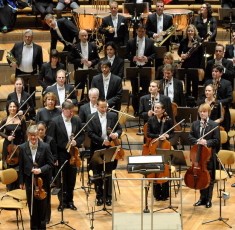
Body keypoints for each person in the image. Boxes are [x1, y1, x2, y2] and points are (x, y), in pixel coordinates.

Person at [50, 101, 84, 211]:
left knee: (71, 179)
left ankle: (70, 201)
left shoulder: (76, 120)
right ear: (63, 110)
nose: (72, 113)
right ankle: (62, 202)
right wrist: (54, 157)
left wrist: (76, 142)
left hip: (73, 154)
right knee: (61, 179)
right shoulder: (55, 121)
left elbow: (82, 135)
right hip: (61, 154)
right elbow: (52, 141)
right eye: (70, 111)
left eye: (73, 111)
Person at [87, 99, 122, 206]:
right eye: (102, 107)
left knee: (108, 172)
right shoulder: (91, 117)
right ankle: (99, 196)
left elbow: (119, 129)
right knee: (97, 173)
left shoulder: (112, 116)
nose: (104, 109)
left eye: (105, 107)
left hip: (110, 148)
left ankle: (108, 197)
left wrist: (116, 134)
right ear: (97, 106)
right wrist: (102, 141)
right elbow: (90, 133)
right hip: (97, 148)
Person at [19, 125, 54, 230]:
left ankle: (42, 227)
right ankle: (34, 227)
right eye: (31, 136)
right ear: (27, 136)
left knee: (43, 206)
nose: (33, 138)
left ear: (38, 135)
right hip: (29, 180)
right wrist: (21, 181)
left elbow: (50, 164)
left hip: (42, 181)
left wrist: (40, 170)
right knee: (32, 207)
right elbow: (21, 166)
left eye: (35, 135)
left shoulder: (45, 146)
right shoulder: (22, 147)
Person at [188, 103, 220, 208]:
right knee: (200, 176)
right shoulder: (195, 124)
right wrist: (197, 141)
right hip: (198, 156)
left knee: (209, 178)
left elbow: (216, 140)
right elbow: (190, 137)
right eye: (201, 111)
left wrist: (206, 142)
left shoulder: (214, 125)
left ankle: (208, 200)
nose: (202, 113)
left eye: (204, 111)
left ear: (208, 112)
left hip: (209, 156)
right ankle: (202, 198)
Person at [126, 23, 155, 115]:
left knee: (146, 90)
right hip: (134, 67)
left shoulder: (150, 41)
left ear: (145, 31)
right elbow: (126, 54)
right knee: (135, 90)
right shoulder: (131, 42)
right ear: (136, 31)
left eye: (143, 31)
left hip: (145, 67)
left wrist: (147, 58)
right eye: (139, 31)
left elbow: (154, 54)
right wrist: (133, 58)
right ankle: (136, 110)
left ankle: (145, 110)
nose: (141, 33)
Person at [147, 102, 174, 200]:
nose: (156, 109)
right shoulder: (151, 120)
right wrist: (158, 136)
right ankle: (157, 194)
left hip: (164, 146)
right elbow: (148, 134)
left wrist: (167, 136)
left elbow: (172, 134)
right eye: (155, 107)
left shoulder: (168, 120)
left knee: (165, 168)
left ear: (163, 110)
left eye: (158, 108)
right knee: (155, 168)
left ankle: (165, 194)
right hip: (154, 146)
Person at [0, 100, 27, 190]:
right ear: (8, 108)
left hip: (19, 146)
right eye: (10, 107)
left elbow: (25, 133)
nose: (12, 108)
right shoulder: (5, 120)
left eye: (14, 106)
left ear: (17, 108)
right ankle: (10, 187)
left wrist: (24, 146)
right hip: (8, 146)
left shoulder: (21, 120)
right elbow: (0, 131)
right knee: (9, 165)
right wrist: (7, 137)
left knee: (19, 166)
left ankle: (19, 186)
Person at [205, 64, 232, 149]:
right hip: (210, 114)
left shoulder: (227, 83)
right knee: (209, 138)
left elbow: (230, 98)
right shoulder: (208, 82)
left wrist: (217, 102)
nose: (214, 73)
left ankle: (224, 156)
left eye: (216, 71)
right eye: (213, 71)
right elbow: (202, 96)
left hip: (222, 112)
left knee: (224, 137)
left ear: (221, 73)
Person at [37, 121, 57, 224]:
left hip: (46, 171)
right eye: (38, 130)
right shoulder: (34, 140)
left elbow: (54, 156)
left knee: (46, 195)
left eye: (42, 130)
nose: (40, 132)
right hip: (36, 172)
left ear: (45, 130)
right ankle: (38, 217)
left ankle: (46, 218)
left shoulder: (50, 140)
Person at [178, 24, 204, 99]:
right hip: (186, 64)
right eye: (188, 31)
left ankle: (195, 99)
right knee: (187, 83)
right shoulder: (183, 41)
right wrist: (182, 55)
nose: (190, 32)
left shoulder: (198, 41)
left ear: (194, 32)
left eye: (191, 31)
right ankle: (188, 98)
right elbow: (179, 52)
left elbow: (201, 55)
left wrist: (199, 67)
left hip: (195, 65)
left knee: (195, 83)